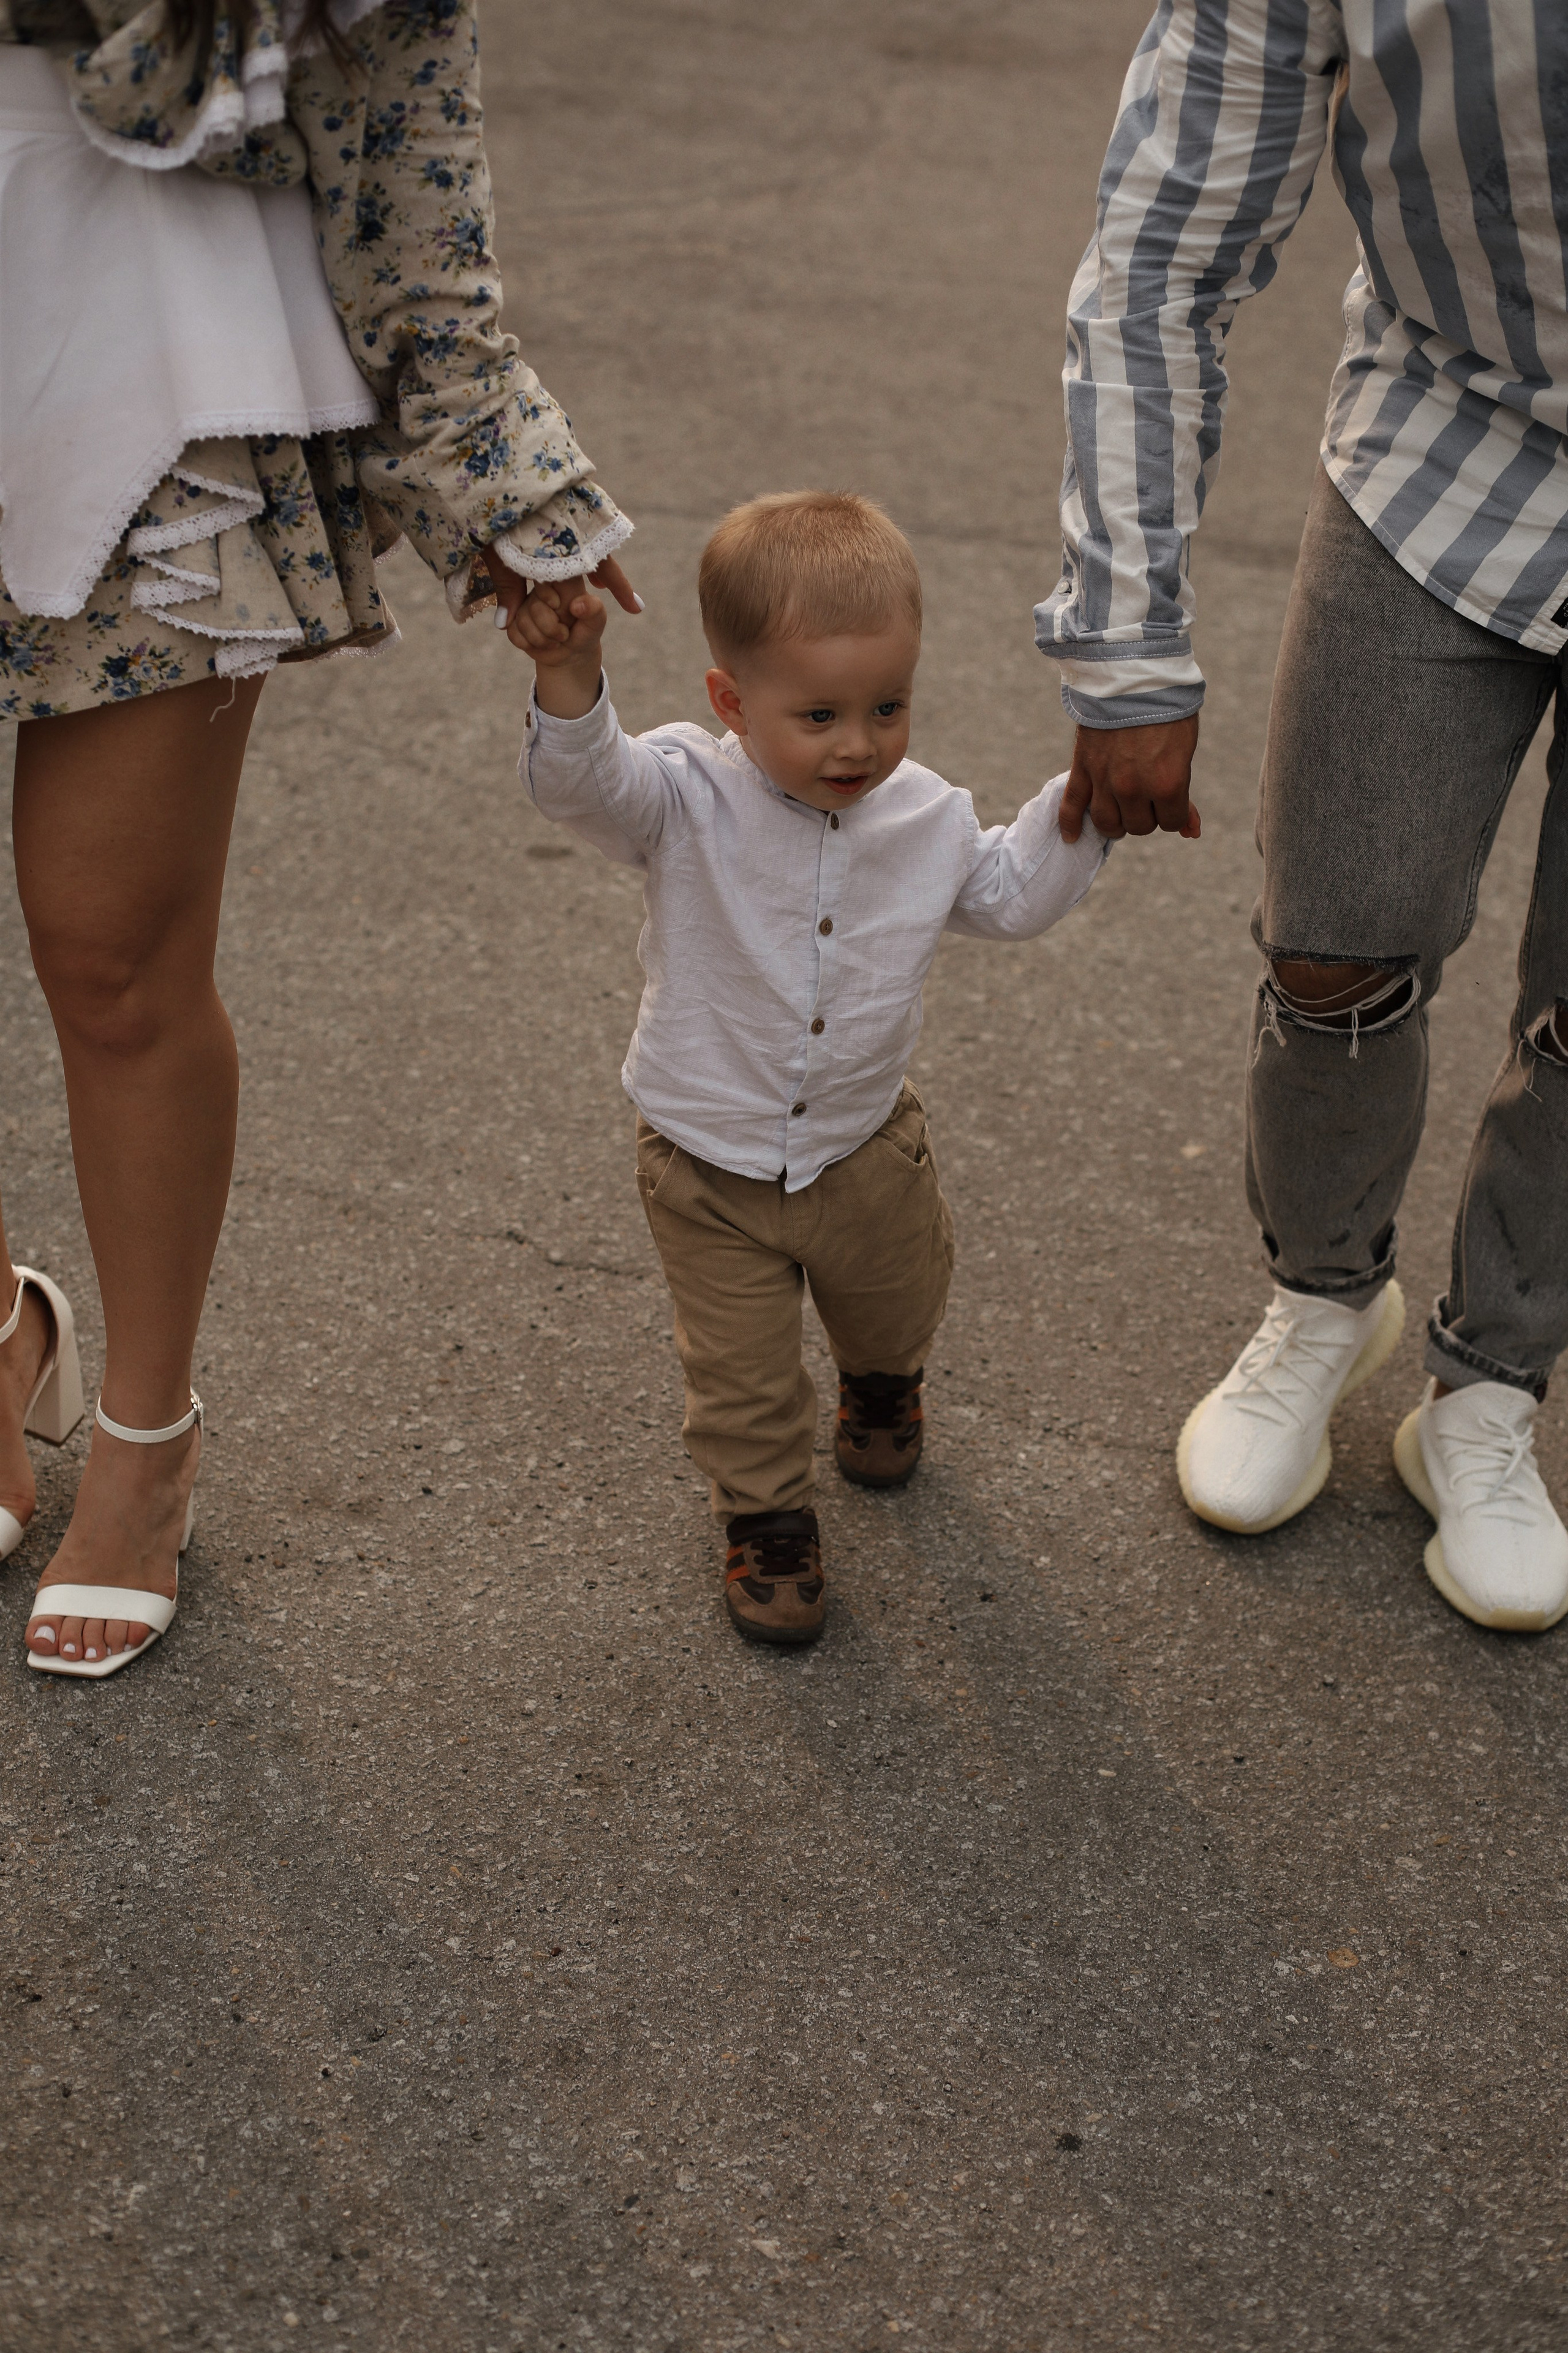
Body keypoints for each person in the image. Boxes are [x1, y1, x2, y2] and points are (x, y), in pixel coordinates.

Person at [0, 0, 636, 1677]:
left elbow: (403, 111)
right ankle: (0, 1336)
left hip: (150, 356)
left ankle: (144, 1435)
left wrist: (502, 478)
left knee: (112, 950)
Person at [1041, 0, 1568, 1632]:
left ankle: (1487, 1391)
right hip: (1450, 437)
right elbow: (1159, 251)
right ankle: (1324, 1296)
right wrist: (1126, 638)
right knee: (1336, 940)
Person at [510, 491, 1107, 1644]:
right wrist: (573, 673)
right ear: (731, 702)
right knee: (740, 1376)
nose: (860, 743)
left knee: (897, 1296)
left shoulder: (925, 814)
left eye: (889, 705)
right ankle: (768, 1515)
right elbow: (583, 788)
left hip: (862, 1141)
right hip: (705, 1161)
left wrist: (1086, 807)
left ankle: (883, 1381)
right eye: (821, 712)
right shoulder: (685, 792)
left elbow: (1010, 893)